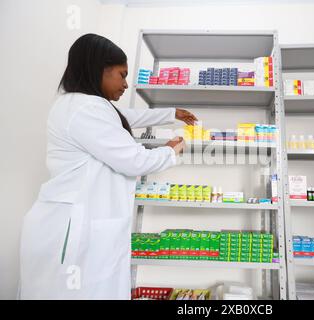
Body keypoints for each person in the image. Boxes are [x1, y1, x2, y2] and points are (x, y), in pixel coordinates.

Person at [18, 33, 197, 299]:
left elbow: (124, 117)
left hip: (78, 222)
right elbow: (134, 161)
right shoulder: (86, 109)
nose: (126, 84)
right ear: (99, 69)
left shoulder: (86, 105)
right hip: (72, 230)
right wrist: (170, 151)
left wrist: (171, 113)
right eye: (122, 75)